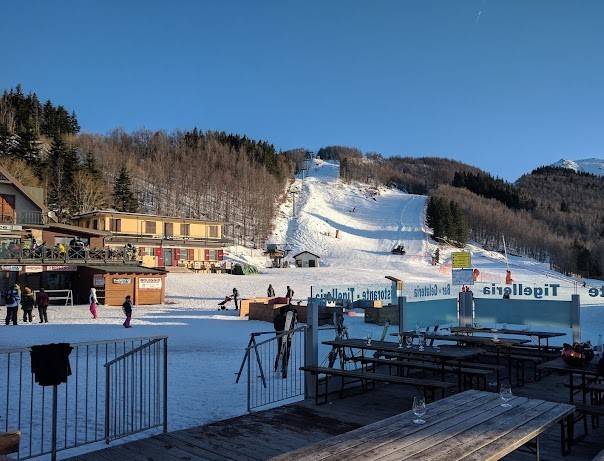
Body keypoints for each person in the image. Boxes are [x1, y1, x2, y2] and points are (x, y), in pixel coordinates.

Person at [273, 306, 287, 371]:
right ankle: (281, 366)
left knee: (280, 350)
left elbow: (275, 326)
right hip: (283, 335)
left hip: (278, 335)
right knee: (282, 351)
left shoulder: (277, 317)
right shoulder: (284, 318)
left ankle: (278, 366)